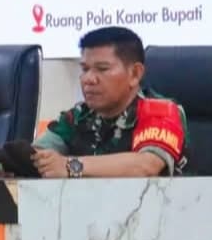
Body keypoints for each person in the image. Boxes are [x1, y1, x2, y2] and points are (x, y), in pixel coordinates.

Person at [32, 27, 187, 178]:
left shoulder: (160, 111)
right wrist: (30, 159)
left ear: (135, 74)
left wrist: (70, 166)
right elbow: (38, 154)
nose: (88, 79)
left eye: (102, 69)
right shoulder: (78, 115)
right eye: (85, 69)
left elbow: (146, 165)